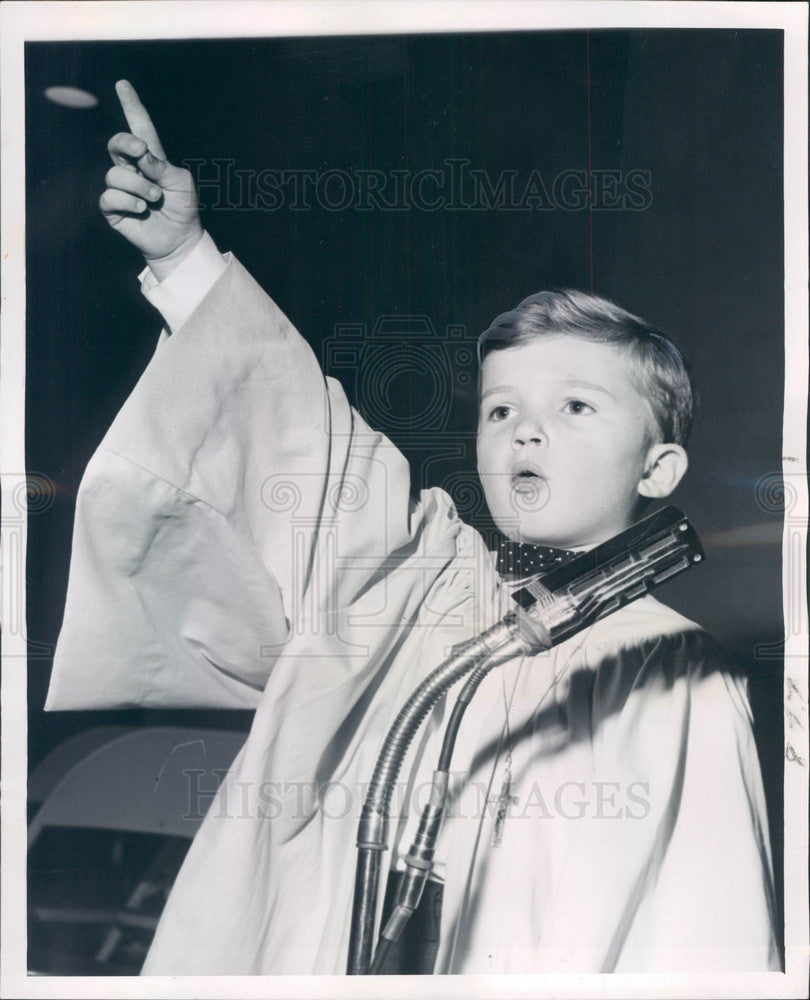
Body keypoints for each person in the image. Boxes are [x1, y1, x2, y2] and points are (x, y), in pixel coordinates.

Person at [46, 81, 779, 975]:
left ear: (656, 470)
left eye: (575, 406)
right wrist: (186, 258)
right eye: (500, 410)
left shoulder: (676, 671)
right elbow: (296, 431)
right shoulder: (421, 575)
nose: (526, 429)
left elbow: (717, 924)